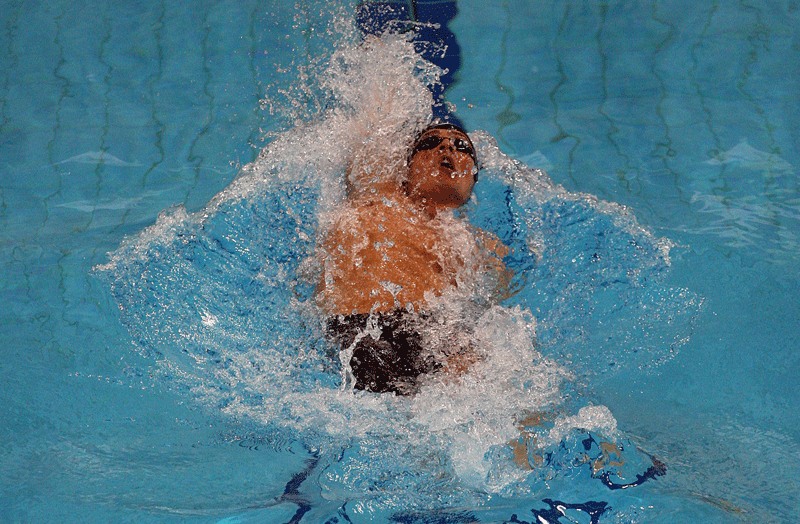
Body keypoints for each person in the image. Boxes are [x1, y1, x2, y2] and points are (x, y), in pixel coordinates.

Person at [316, 122, 513, 395]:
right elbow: (373, 112)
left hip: (436, 332)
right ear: (406, 167)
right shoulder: (378, 196)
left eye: (461, 147)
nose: (446, 147)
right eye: (430, 143)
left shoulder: (479, 245)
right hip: (364, 327)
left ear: (473, 176)